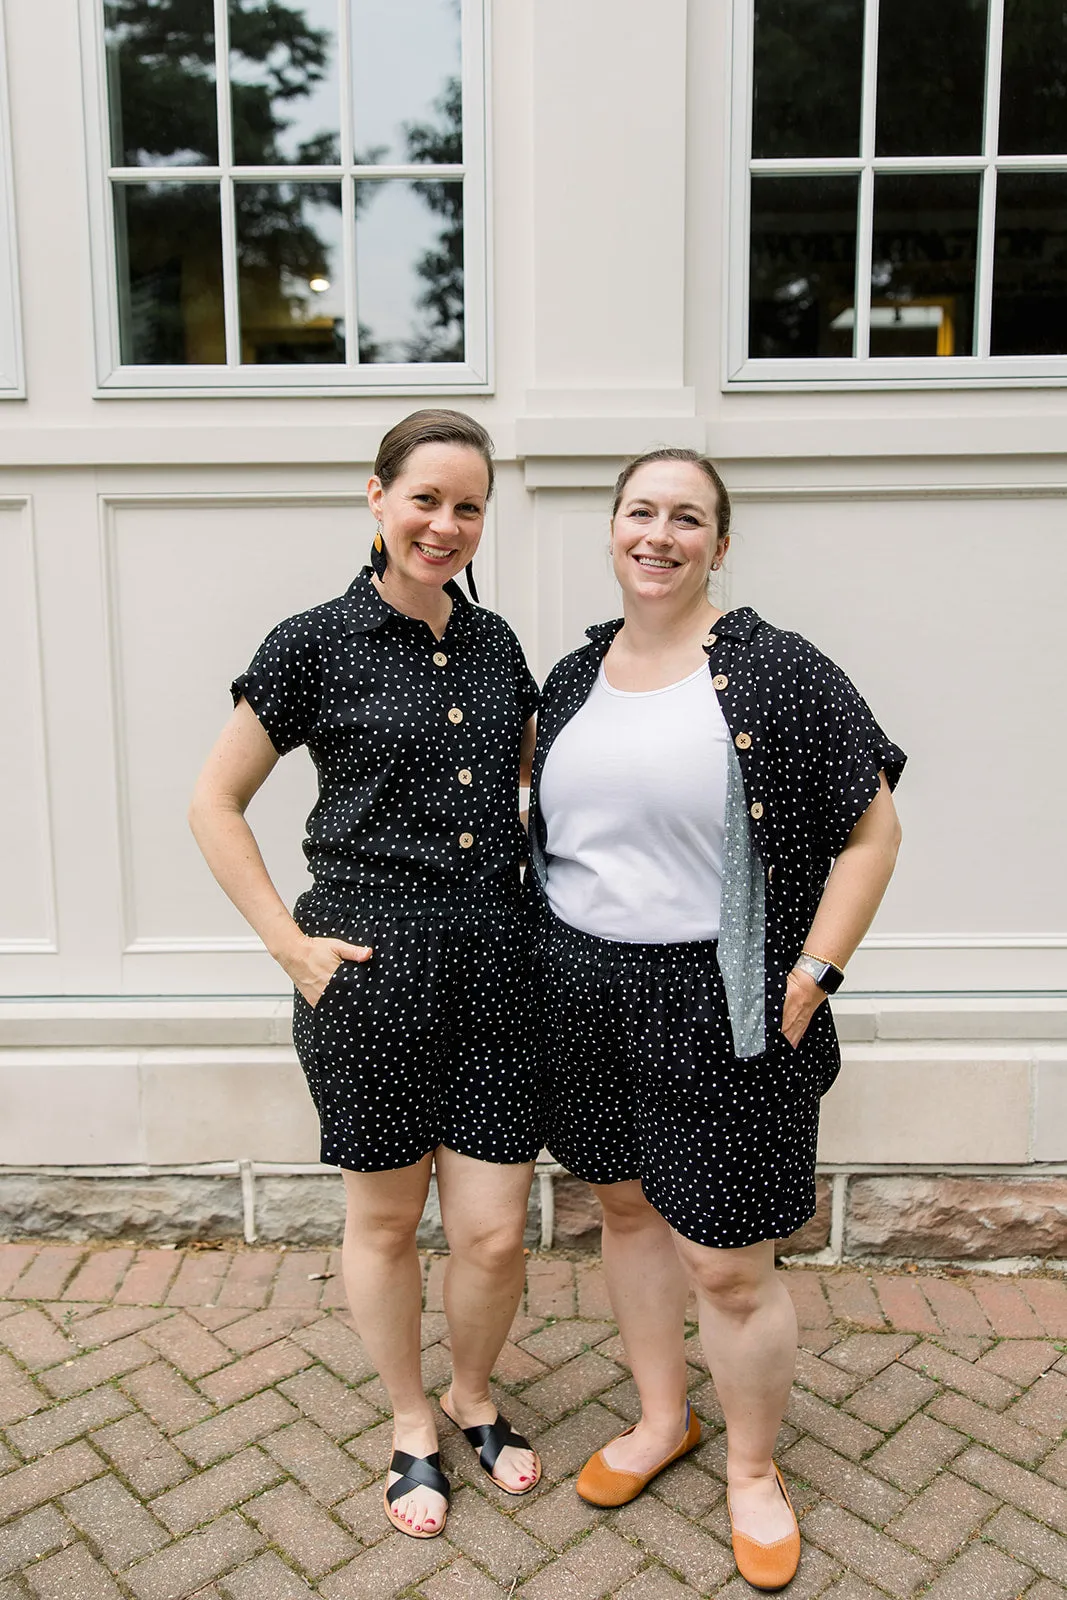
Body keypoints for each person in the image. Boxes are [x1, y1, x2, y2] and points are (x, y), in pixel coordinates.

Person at [527, 448, 904, 1591]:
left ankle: (751, 1468)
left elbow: (870, 831)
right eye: (638, 511)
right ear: (610, 531)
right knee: (629, 1213)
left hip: (718, 993)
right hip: (582, 988)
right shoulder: (571, 674)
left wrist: (817, 966)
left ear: (718, 544)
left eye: (685, 517)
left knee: (729, 1264)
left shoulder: (776, 671)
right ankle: (659, 1419)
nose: (658, 533)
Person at [189, 410, 543, 1542]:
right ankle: (408, 1420)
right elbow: (213, 803)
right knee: (386, 1221)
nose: (444, 524)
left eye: (467, 505)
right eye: (425, 498)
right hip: (368, 968)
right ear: (377, 498)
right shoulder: (311, 643)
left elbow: (543, 784)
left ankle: (473, 1392)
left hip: (497, 960)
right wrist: (288, 948)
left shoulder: (495, 646)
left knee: (492, 1230)